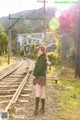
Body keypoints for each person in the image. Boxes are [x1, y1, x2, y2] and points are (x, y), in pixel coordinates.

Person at [33, 46, 47, 116]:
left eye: (41, 50)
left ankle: (36, 110)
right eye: (39, 50)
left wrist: (34, 74)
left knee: (38, 92)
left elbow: (40, 68)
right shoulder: (43, 58)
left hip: (39, 76)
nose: (39, 51)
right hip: (43, 76)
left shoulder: (41, 58)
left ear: (43, 51)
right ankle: (42, 109)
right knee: (42, 93)